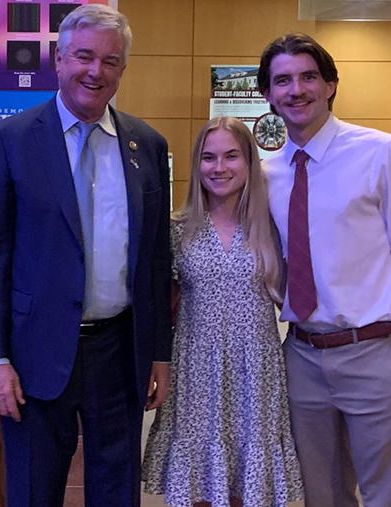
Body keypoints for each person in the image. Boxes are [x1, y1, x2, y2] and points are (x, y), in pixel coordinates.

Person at [0, 4, 171, 507]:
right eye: (84, 56)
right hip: (35, 353)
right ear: (59, 59)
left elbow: (154, 261)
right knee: (36, 490)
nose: (95, 71)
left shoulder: (146, 145)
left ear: (123, 69)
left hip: (119, 352)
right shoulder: (12, 139)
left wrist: (160, 354)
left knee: (116, 491)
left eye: (110, 61)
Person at [258, 32, 391, 507]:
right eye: (282, 80)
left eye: (308, 76)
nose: (296, 89)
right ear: (267, 94)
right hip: (301, 357)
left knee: (388, 496)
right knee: (322, 495)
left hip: (376, 353)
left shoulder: (383, 154)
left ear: (331, 85)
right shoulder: (267, 174)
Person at [141, 116, 303, 507]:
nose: (219, 167)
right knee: (200, 481)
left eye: (231, 156)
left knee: (246, 485)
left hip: (256, 368)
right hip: (196, 368)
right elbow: (164, 304)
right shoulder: (177, 229)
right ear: (196, 165)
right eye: (209, 157)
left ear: (250, 162)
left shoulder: (273, 225)